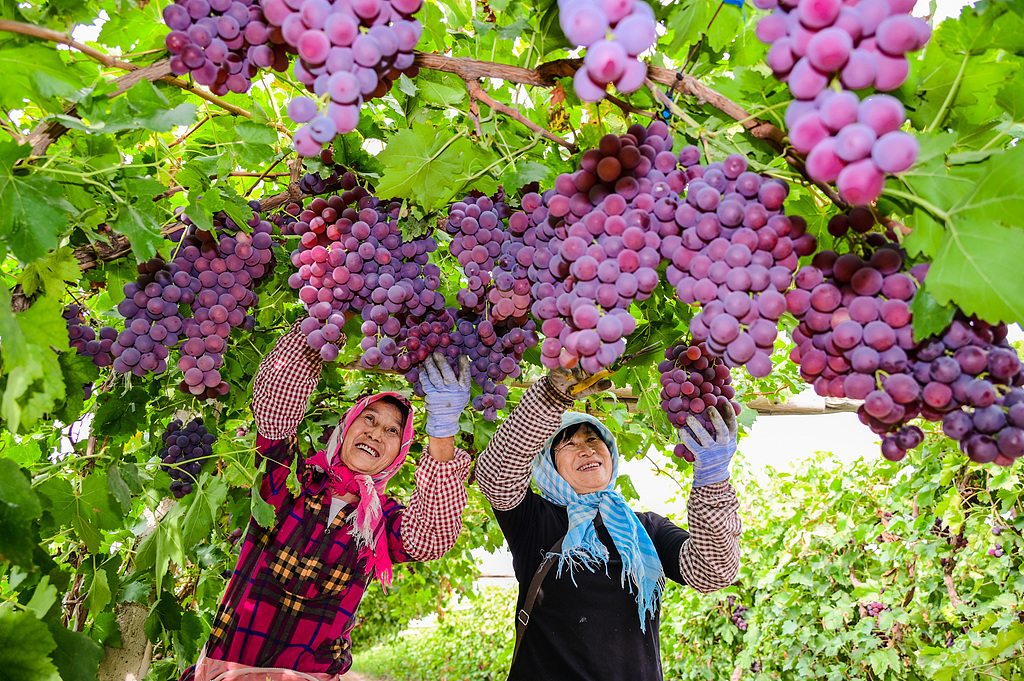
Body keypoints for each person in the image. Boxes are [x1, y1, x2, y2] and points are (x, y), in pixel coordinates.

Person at [181, 322, 474, 681]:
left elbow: (431, 536)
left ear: (399, 454)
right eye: (368, 418)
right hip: (227, 670)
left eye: (392, 431)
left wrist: (442, 435)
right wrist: (323, 322)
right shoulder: (290, 481)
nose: (375, 433)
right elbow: (275, 407)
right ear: (345, 427)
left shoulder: (384, 521)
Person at [475, 367, 742, 681]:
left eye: (592, 439)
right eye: (569, 445)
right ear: (548, 463)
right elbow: (495, 477)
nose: (586, 448)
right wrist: (548, 398)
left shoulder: (646, 530)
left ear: (610, 453)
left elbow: (714, 572)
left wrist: (713, 482)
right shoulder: (535, 520)